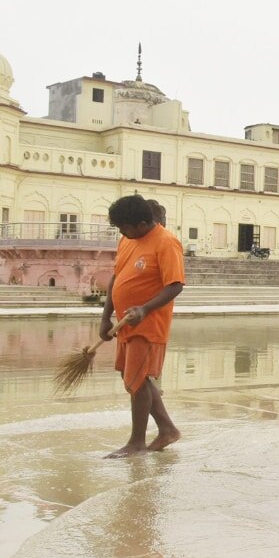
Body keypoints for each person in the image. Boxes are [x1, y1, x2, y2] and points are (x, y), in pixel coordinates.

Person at [99, 194, 185, 458]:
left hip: (148, 324)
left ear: (143, 222)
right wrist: (105, 316)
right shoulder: (128, 240)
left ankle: (137, 443)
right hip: (126, 322)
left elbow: (175, 285)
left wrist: (145, 309)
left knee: (136, 382)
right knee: (137, 378)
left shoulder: (167, 243)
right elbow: (117, 277)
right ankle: (167, 430)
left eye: (124, 226)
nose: (121, 232)